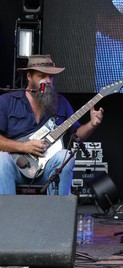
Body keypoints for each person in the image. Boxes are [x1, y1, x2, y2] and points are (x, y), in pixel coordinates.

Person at [0, 54, 104, 195]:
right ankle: (7, 212)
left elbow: (77, 135)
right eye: (42, 76)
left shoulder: (60, 102)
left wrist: (92, 124)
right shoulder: (7, 101)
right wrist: (24, 147)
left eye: (51, 76)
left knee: (65, 155)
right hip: (15, 167)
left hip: (48, 169)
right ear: (29, 76)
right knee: (1, 159)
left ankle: (61, 209)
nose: (48, 81)